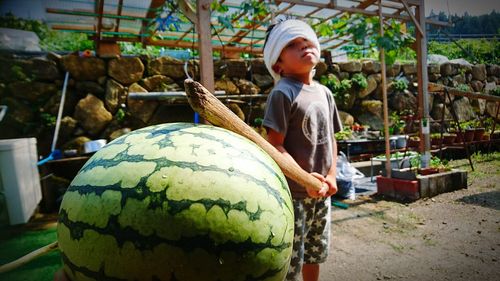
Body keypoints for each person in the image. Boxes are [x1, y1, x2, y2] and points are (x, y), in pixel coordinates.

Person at [262, 19, 343, 281]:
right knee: (292, 258)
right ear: (278, 65)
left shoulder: (325, 93)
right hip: (294, 195)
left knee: (314, 253)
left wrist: (331, 176)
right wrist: (304, 179)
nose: (303, 46)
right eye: (292, 45)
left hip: (322, 193)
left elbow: (331, 139)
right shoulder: (282, 93)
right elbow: (274, 146)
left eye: (307, 41)